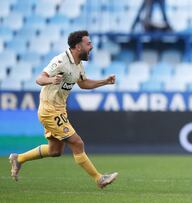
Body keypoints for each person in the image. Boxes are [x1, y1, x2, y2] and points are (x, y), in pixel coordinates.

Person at [9, 30, 118, 189]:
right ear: (78, 46)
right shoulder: (60, 61)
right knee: (77, 142)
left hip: (59, 109)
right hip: (49, 110)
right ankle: (99, 179)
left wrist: (104, 82)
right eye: (88, 44)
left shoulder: (78, 63)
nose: (92, 46)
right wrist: (51, 79)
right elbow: (39, 78)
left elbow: (83, 83)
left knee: (55, 151)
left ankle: (18, 158)